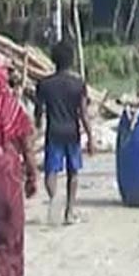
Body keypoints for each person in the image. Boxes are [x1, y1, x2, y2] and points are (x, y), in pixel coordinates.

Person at [0, 51, 37, 276]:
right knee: (4, 231)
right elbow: (27, 145)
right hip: (5, 176)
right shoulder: (12, 107)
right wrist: (32, 176)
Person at [34, 42, 92, 225]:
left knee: (51, 170)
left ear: (53, 60)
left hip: (54, 132)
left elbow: (38, 111)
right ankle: (69, 212)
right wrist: (90, 137)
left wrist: (37, 126)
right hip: (72, 133)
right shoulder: (78, 84)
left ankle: (53, 199)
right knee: (73, 172)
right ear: (72, 60)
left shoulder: (44, 84)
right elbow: (83, 113)